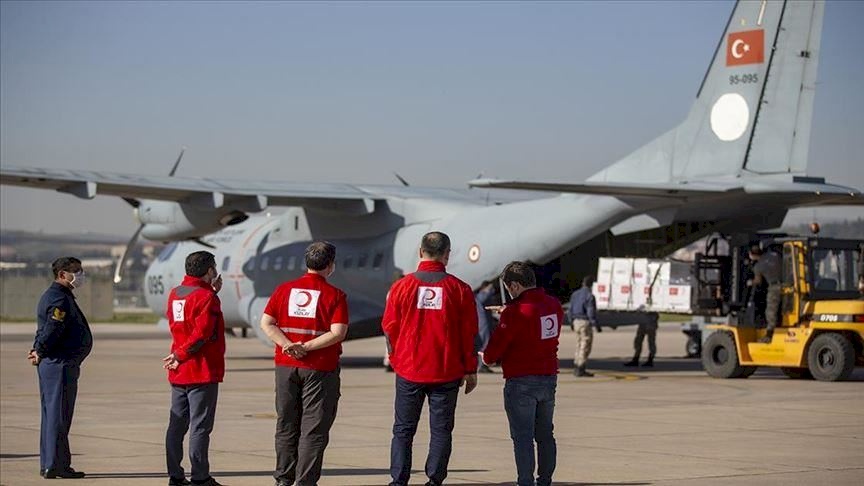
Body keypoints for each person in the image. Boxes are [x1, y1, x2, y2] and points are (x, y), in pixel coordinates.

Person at [382, 231, 478, 486]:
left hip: (409, 370)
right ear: (447, 255)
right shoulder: (460, 289)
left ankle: (399, 480)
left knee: (403, 429)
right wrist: (470, 369)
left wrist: (395, 358)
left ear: (420, 251)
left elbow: (389, 326)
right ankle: (435, 479)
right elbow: (470, 334)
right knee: (441, 430)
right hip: (446, 371)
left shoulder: (401, 286)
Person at [259, 241, 349, 486]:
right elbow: (338, 332)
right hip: (320, 367)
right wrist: (306, 347)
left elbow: (267, 323)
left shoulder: (284, 290)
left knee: (287, 423)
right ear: (330, 266)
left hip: (286, 365)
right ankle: (305, 481)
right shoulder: (336, 295)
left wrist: (288, 345)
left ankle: (283, 479)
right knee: (314, 428)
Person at [482, 261, 562, 486]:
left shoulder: (516, 312)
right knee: (545, 435)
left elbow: (495, 351)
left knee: (523, 438)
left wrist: (486, 357)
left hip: (521, 380)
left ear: (515, 286)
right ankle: (545, 480)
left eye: (508, 288)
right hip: (548, 378)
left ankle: (525, 481)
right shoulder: (554, 305)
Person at [162, 251, 226, 486]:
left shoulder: (176, 293)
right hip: (200, 369)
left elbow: (184, 320)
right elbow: (202, 333)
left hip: (179, 370)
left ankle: (175, 476)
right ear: (209, 271)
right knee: (200, 426)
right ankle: (200, 476)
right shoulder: (207, 298)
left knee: (177, 425)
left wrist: (178, 355)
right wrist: (182, 354)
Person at [29, 257, 93, 479]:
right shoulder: (58, 299)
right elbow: (53, 328)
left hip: (57, 363)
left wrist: (39, 349)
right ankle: (54, 466)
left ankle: (54, 463)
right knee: (58, 416)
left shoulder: (59, 296)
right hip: (59, 365)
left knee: (54, 415)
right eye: (76, 271)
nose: (80, 274)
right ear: (62, 274)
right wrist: (41, 349)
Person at [750, 245, 783, 343]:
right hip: (787, 284)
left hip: (774, 287)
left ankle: (769, 335)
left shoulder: (758, 266)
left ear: (753, 255)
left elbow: (759, 281)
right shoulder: (775, 255)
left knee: (770, 311)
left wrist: (750, 282)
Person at [569, 276, 598, 377]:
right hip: (584, 322)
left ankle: (576, 365)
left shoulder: (575, 294)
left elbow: (570, 310)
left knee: (578, 344)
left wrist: (571, 322)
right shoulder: (590, 296)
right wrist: (595, 324)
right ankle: (580, 368)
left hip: (576, 322)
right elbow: (590, 312)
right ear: (591, 285)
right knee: (585, 345)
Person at [475, 280, 497, 373]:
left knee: (485, 343)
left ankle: (483, 364)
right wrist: (488, 290)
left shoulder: (483, 295)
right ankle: (482, 365)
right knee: (484, 344)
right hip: (483, 324)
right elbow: (482, 299)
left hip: (485, 322)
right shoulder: (481, 295)